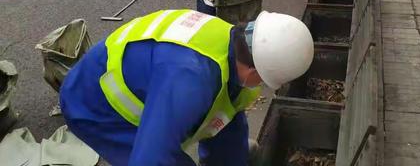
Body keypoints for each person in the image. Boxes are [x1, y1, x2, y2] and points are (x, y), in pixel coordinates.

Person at [60, 9, 314, 166]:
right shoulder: (190, 82)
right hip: (92, 105)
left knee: (230, 145)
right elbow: (150, 160)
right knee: (163, 158)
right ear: (256, 70)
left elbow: (229, 116)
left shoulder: (239, 46)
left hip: (154, 79)